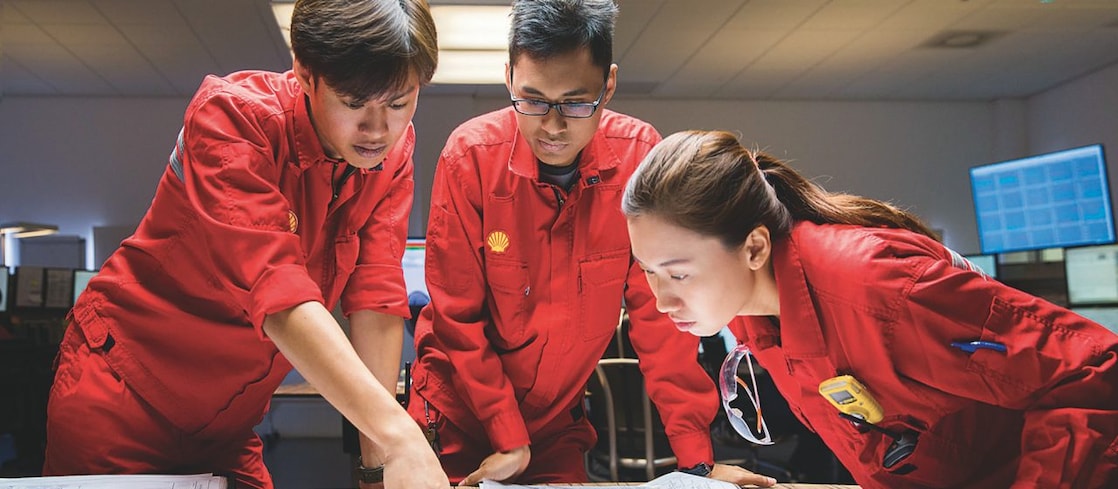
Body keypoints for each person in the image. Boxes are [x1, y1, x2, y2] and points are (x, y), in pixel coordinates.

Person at [41, 1, 448, 488]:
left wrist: (375, 468)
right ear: (305, 72)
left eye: (399, 104)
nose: (378, 129)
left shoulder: (391, 152)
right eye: (354, 103)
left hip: (229, 425)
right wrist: (402, 436)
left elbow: (377, 298)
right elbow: (277, 292)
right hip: (123, 397)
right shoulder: (232, 118)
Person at [405, 1, 775, 487]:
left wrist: (698, 461)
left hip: (557, 423)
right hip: (457, 415)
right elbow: (457, 318)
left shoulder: (640, 160)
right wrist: (506, 434)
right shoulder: (470, 157)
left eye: (576, 103)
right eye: (532, 101)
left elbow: (661, 324)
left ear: (609, 85)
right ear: (509, 79)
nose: (553, 126)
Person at [622, 129, 1118, 489]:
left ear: (754, 248)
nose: (662, 300)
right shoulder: (756, 313)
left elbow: (1092, 373)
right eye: (646, 270)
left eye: (678, 273)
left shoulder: (880, 289)